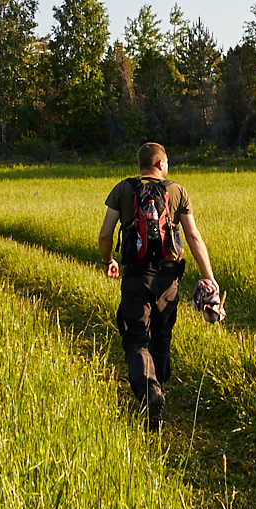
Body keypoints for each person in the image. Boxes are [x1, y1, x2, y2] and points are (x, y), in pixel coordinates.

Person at [99, 141, 223, 431]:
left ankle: (149, 390)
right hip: (168, 276)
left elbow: (106, 234)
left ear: (140, 164)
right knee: (161, 336)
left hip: (135, 276)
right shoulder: (177, 191)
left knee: (135, 338)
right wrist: (209, 277)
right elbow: (193, 237)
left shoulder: (123, 189)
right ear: (161, 164)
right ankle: (159, 391)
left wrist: (109, 261)